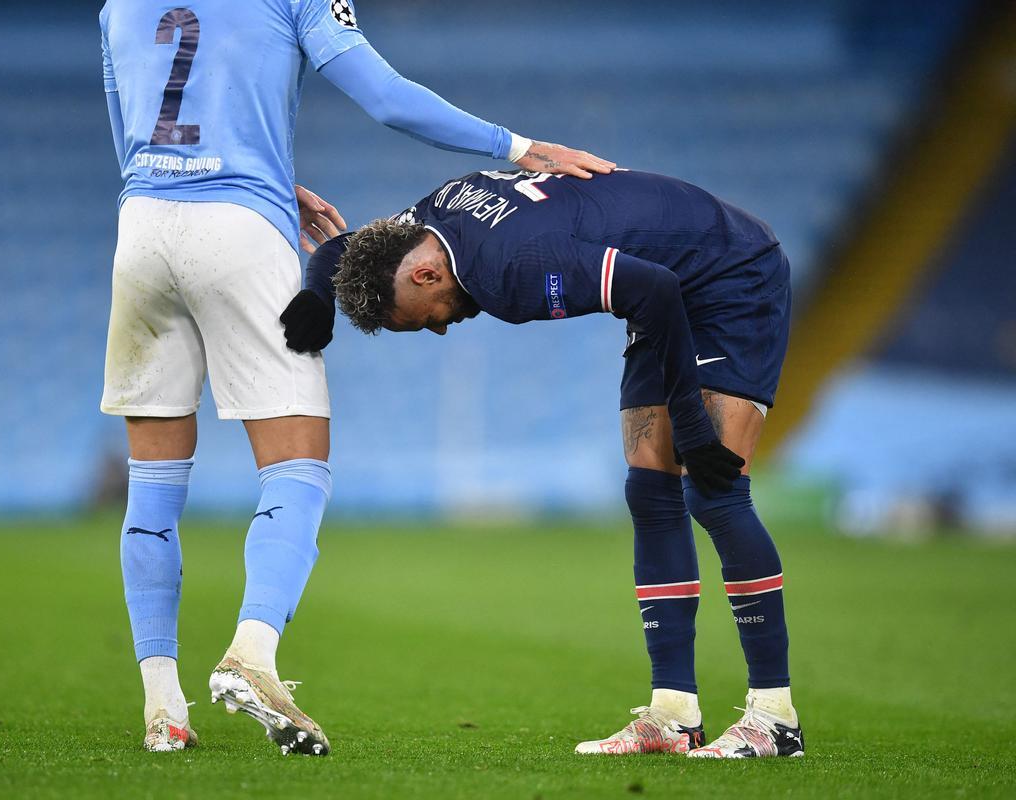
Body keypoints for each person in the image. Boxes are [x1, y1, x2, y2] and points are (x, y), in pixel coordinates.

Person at [98, 0, 614, 756]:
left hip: (141, 225)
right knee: (298, 467)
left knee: (153, 485)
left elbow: (134, 135)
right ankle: (253, 654)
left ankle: (162, 707)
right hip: (239, 229)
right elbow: (385, 96)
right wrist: (522, 146)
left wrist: (273, 175)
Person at [285, 167, 804, 758]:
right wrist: (317, 297)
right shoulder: (421, 228)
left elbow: (654, 289)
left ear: (427, 273)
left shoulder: (511, 271)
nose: (438, 329)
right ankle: (673, 714)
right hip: (665, 285)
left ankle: (774, 716)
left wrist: (690, 423)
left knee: (714, 491)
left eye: (424, 316)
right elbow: (342, 249)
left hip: (728, 271)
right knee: (651, 493)